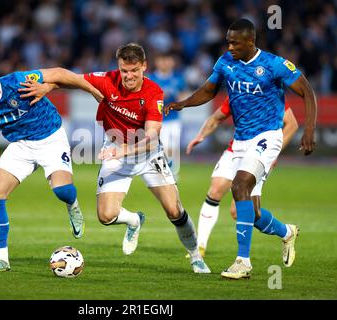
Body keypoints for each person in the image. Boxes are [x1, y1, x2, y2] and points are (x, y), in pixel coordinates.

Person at [20, 43, 210, 273]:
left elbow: (151, 137)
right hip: (115, 150)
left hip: (147, 154)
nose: (128, 76)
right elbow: (65, 76)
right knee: (106, 215)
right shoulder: (107, 80)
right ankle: (134, 221)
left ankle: (195, 257)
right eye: (124, 70)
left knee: (174, 211)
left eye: (134, 71)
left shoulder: (153, 93)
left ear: (144, 67)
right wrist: (46, 87)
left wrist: (122, 152)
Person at [165, 18, 317, 279]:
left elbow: (307, 91)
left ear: (250, 41)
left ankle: (242, 262)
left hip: (268, 136)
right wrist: (183, 103)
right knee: (253, 214)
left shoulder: (273, 64)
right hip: (241, 141)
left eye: (235, 42)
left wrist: (310, 129)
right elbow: (209, 90)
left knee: (239, 186)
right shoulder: (226, 62)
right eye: (228, 41)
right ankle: (287, 232)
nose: (230, 46)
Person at [0, 59, 103, 272]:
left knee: (63, 190)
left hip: (50, 137)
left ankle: (72, 206)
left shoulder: (17, 82)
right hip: (20, 145)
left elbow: (58, 73)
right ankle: (2, 259)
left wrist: (92, 91)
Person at [185, 97, 298, 259]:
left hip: (260, 153)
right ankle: (200, 247)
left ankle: (286, 232)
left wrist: (274, 153)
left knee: (240, 212)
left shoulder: (270, 90)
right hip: (235, 150)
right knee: (216, 188)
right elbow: (217, 117)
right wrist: (200, 136)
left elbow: (292, 124)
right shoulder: (236, 87)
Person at [147, 51, 188, 179]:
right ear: (156, 62)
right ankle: (163, 172)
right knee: (159, 147)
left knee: (172, 147)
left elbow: (185, 95)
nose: (164, 63)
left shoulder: (178, 78)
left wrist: (178, 98)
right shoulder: (151, 78)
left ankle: (171, 172)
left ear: (172, 62)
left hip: (173, 119)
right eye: (162, 60)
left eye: (167, 60)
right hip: (156, 120)